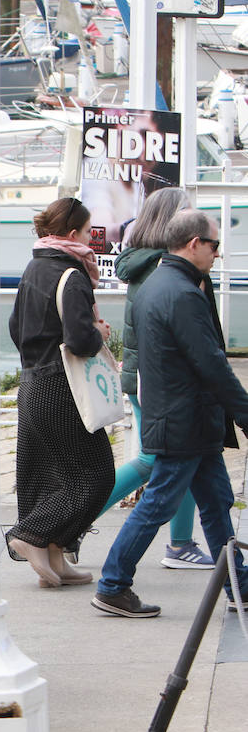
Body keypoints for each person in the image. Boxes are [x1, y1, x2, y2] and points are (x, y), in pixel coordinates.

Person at [94, 210, 248, 618]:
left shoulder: (156, 284)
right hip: (185, 420)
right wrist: (244, 412)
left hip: (181, 418)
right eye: (215, 245)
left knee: (216, 502)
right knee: (158, 504)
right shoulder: (182, 293)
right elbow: (211, 362)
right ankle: (113, 584)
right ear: (195, 243)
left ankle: (238, 584)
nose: (218, 253)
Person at [100, 188, 214, 569]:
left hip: (144, 375)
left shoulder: (143, 261)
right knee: (154, 459)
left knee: (186, 454)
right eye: (187, 214)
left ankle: (181, 543)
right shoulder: (167, 267)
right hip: (161, 381)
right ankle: (74, 520)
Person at [6, 197, 115, 588]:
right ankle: (31, 534)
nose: (90, 240)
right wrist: (99, 332)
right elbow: (81, 341)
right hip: (62, 387)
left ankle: (54, 553)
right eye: (87, 232)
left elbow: (15, 327)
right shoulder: (72, 274)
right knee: (97, 475)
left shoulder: (34, 267)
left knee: (52, 474)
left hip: (33, 382)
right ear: (72, 234)